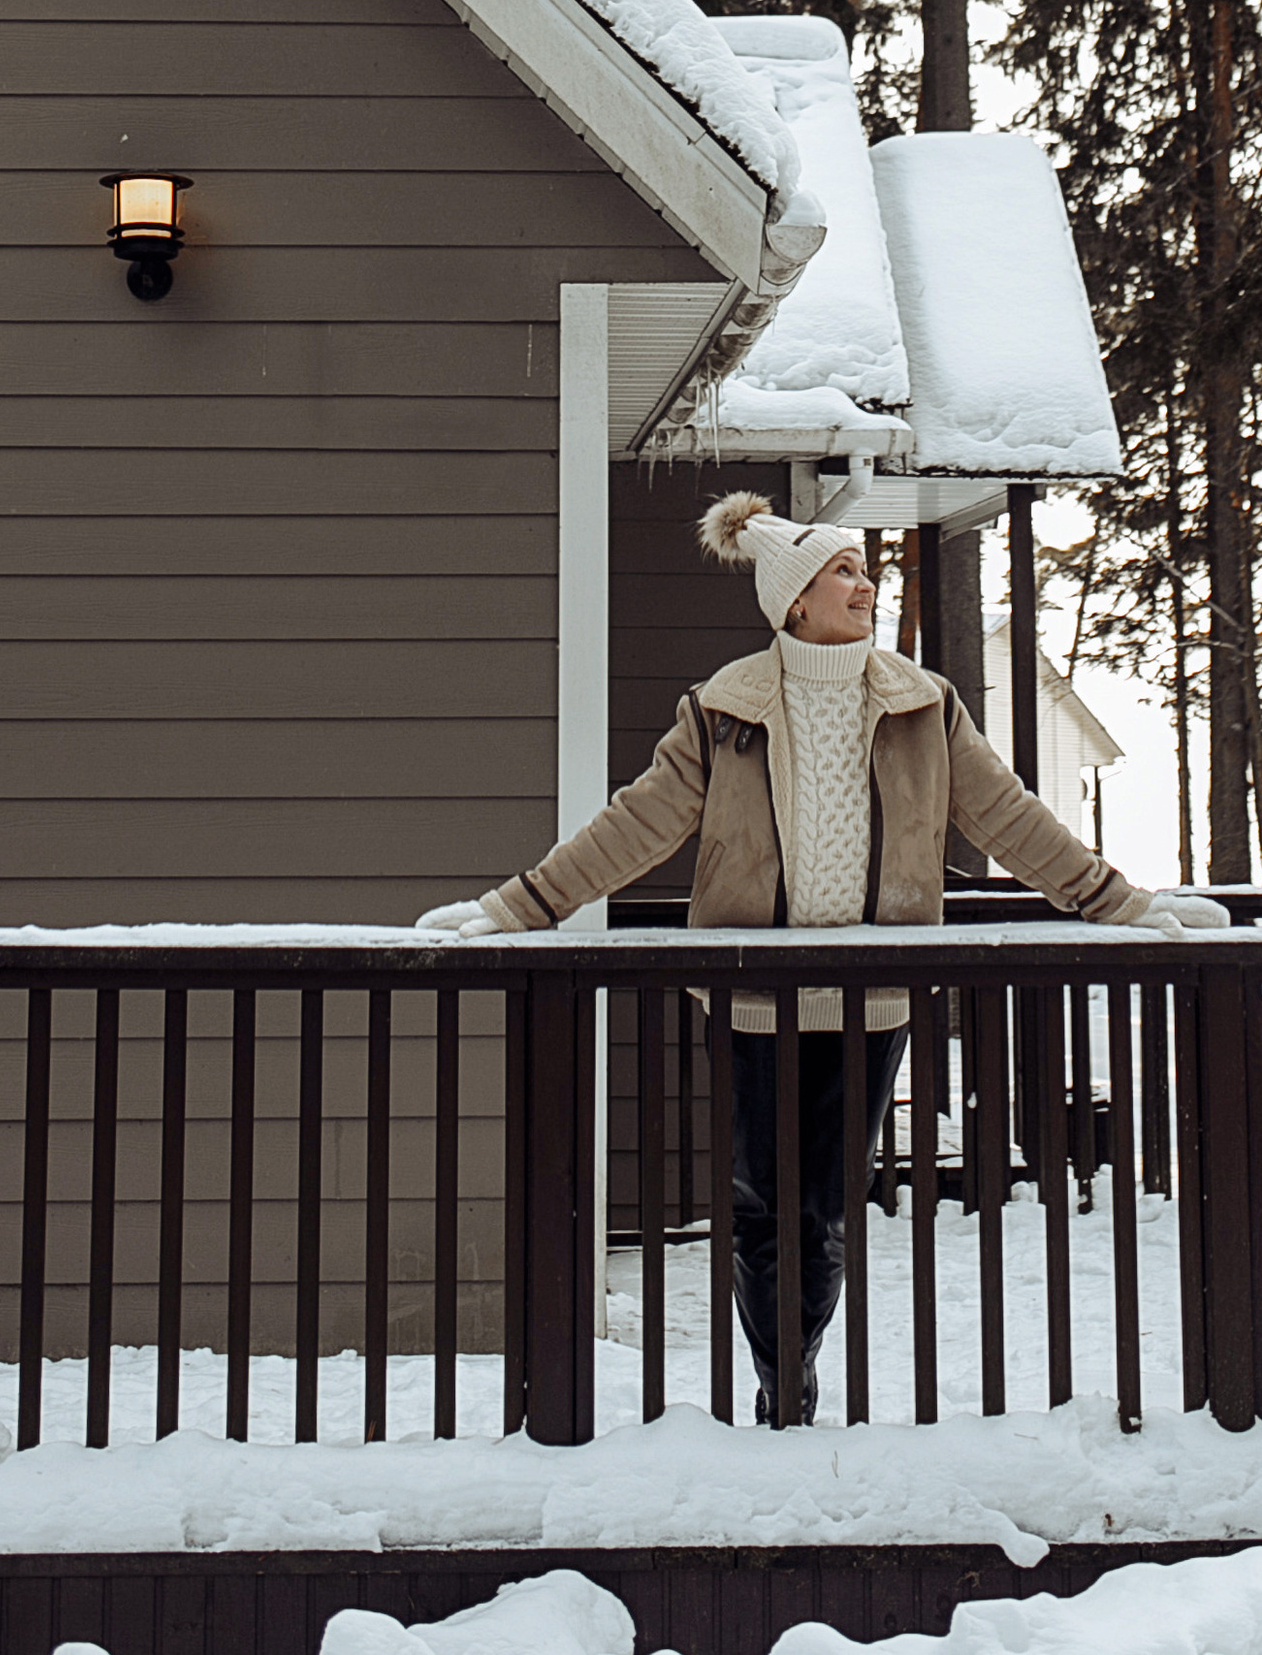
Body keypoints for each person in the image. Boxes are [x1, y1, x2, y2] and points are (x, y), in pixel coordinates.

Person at [418, 491, 1221, 1427]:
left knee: (828, 1207)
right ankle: (784, 1389)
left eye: (864, 569)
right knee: (764, 1206)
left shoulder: (924, 704)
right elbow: (636, 824)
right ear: (794, 601)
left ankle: (792, 1369)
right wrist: (518, 905)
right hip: (754, 996)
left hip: (871, 995)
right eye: (843, 571)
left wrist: (1122, 902)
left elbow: (1009, 816)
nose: (865, 583)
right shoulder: (722, 709)